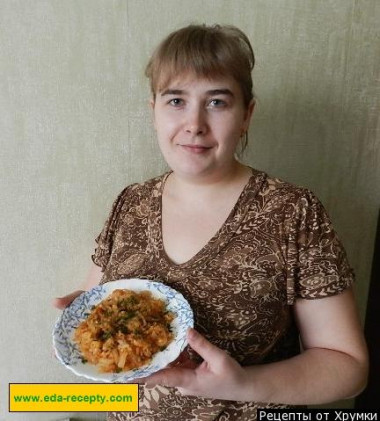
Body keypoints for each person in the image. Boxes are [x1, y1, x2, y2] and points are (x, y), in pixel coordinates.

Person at [54, 24, 368, 420]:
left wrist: (243, 384)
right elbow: (100, 303)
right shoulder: (130, 202)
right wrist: (84, 318)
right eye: (176, 101)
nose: (195, 123)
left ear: (246, 115)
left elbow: (347, 367)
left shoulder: (293, 211)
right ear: (154, 112)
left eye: (217, 102)